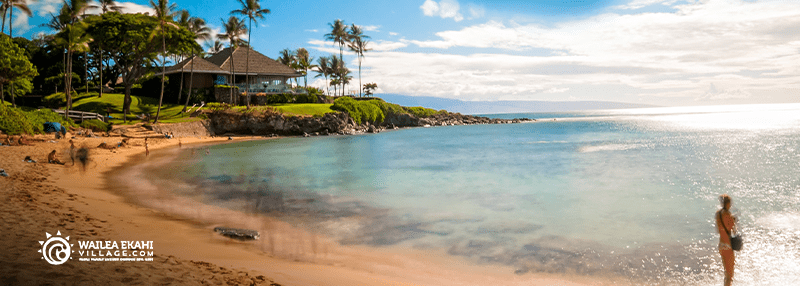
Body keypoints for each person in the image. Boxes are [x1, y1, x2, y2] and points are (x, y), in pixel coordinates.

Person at [716, 194, 737, 286]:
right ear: (728, 204)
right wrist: (734, 221)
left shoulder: (718, 214)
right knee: (730, 275)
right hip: (728, 245)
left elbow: (718, 229)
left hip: (721, 245)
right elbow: (733, 229)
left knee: (726, 274)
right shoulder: (728, 214)